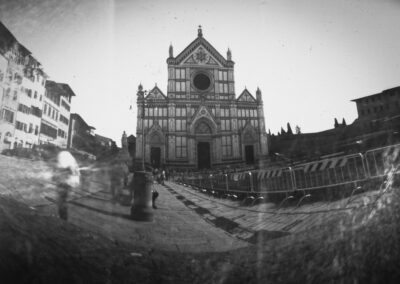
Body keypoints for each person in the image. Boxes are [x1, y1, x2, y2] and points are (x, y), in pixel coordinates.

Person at [52, 150, 80, 221]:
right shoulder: (70, 160)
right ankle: (63, 217)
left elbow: (61, 170)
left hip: (64, 183)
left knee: (61, 201)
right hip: (65, 183)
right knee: (62, 201)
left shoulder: (64, 159)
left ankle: (63, 218)